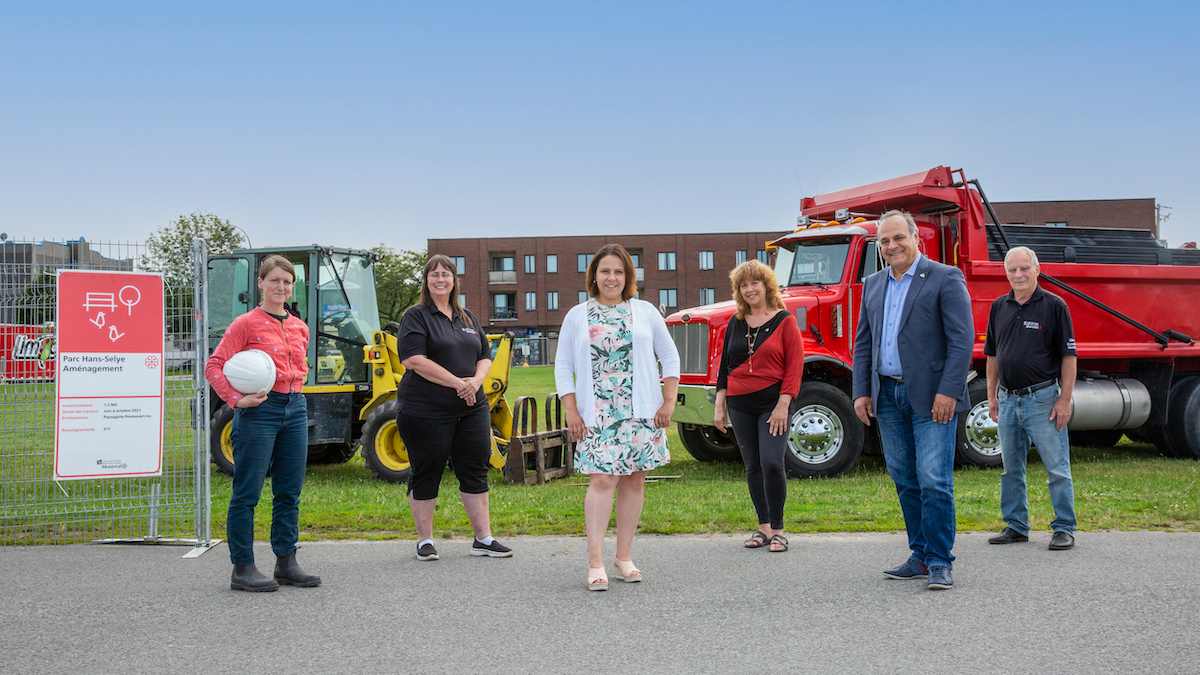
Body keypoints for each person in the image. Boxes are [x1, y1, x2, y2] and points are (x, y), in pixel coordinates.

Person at [852, 210, 973, 590]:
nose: (891, 246)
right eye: (884, 241)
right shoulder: (872, 284)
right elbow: (863, 343)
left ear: (915, 236)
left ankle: (940, 561)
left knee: (934, 478)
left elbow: (961, 341)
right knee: (904, 477)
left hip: (933, 397)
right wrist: (861, 392)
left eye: (897, 238)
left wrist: (949, 391)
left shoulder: (944, 277)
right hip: (886, 395)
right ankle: (919, 555)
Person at [555, 244, 680, 591]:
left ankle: (622, 556)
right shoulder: (578, 315)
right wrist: (570, 409)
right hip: (597, 415)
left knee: (635, 481)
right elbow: (563, 366)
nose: (612, 278)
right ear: (594, 276)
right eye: (605, 271)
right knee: (602, 481)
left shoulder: (645, 312)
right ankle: (595, 561)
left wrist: (668, 402)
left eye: (619, 272)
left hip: (641, 413)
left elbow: (670, 357)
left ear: (628, 277)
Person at [206, 255, 320, 592]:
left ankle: (286, 563)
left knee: (289, 492)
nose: (281, 287)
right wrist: (235, 399)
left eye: (287, 282)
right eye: (274, 281)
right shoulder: (245, 324)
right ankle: (242, 568)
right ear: (261, 283)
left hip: (295, 408)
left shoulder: (299, 326)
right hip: (260, 412)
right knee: (247, 493)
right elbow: (215, 365)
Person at [394, 254, 513, 561]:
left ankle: (483, 538)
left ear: (454, 281)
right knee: (426, 470)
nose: (440, 279)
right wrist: (457, 382)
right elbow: (413, 360)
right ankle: (425, 541)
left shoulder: (467, 318)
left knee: (475, 469)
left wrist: (475, 381)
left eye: (446, 274)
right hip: (425, 409)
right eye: (434, 274)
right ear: (426, 281)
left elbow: (485, 354)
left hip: (471, 408)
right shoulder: (416, 316)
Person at [985, 246, 1078, 550]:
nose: (1018, 275)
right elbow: (992, 356)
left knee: (1057, 469)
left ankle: (1064, 527)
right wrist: (993, 396)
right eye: (1012, 270)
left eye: (1024, 268)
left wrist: (1064, 400)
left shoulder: (1054, 306)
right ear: (1006, 273)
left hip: (1043, 401)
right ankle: (1016, 525)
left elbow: (1068, 356)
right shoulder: (999, 306)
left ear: (1037, 270)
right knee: (1011, 469)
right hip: (1009, 401)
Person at [713, 260, 804, 553]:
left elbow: (794, 367)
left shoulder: (785, 320)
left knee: (771, 463)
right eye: (743, 285)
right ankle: (763, 527)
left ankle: (778, 529)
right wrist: (719, 404)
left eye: (755, 283)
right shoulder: (735, 322)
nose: (750, 289)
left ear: (766, 286)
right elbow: (724, 367)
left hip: (773, 404)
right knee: (752, 466)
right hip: (740, 403)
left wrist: (783, 404)